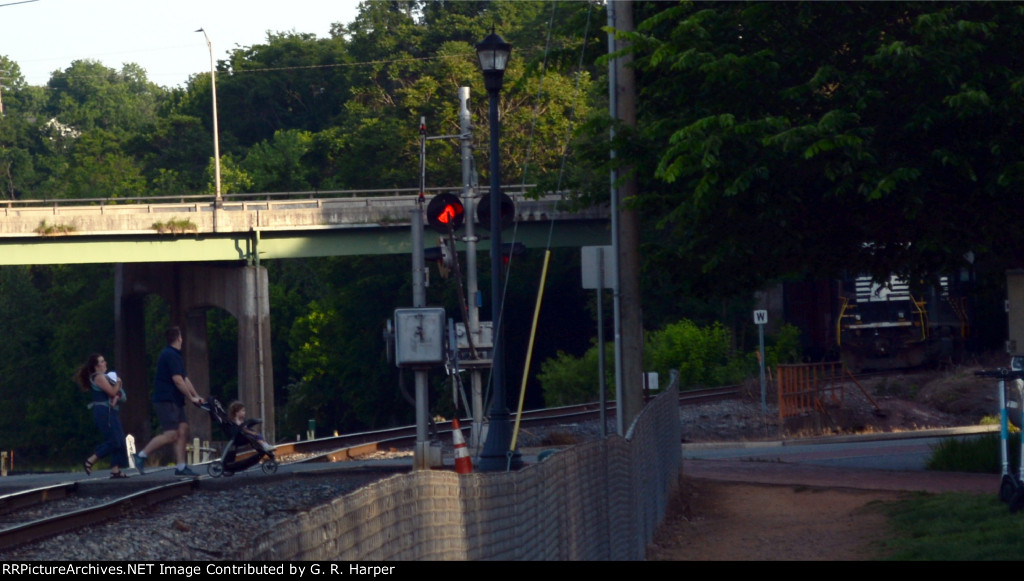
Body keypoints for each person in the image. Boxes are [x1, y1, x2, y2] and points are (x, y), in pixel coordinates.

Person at [133, 326, 204, 477]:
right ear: (179, 338)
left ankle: (181, 466)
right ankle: (141, 456)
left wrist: (196, 395)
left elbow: (184, 378)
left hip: (175, 401)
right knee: (172, 434)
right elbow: (177, 380)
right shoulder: (170, 354)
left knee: (183, 429)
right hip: (166, 400)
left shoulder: (176, 355)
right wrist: (191, 398)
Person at [76, 353, 129, 478]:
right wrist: (119, 383)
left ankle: (115, 470)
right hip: (103, 412)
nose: (105, 363)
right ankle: (91, 460)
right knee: (113, 441)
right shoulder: (98, 377)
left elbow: (122, 396)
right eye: (102, 361)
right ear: (96, 366)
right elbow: (112, 392)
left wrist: (118, 392)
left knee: (120, 441)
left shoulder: (106, 378)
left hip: (112, 412)